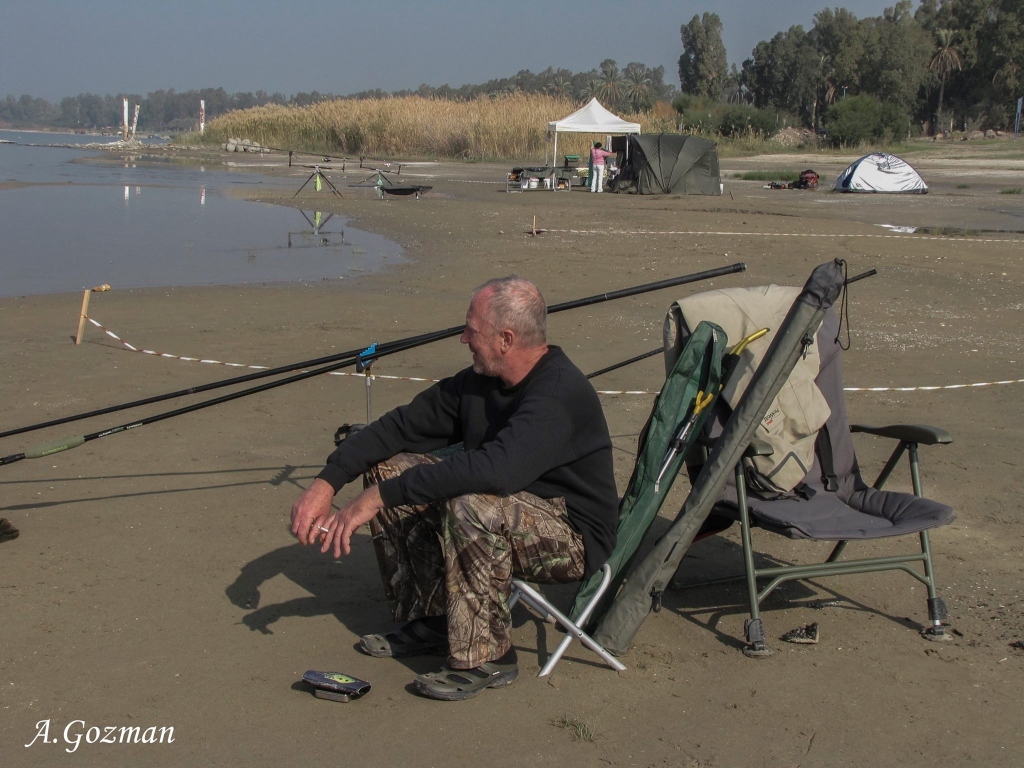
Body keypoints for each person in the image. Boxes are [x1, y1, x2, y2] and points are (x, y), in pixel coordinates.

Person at [290, 276, 619, 701]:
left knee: (470, 501)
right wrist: (327, 482)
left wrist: (376, 499)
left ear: (506, 339)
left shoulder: (557, 394)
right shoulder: (479, 382)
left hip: (570, 534)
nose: (463, 338)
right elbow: (399, 426)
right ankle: (436, 618)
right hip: (507, 506)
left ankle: (490, 656)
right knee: (390, 469)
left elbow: (496, 471)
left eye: (472, 331)